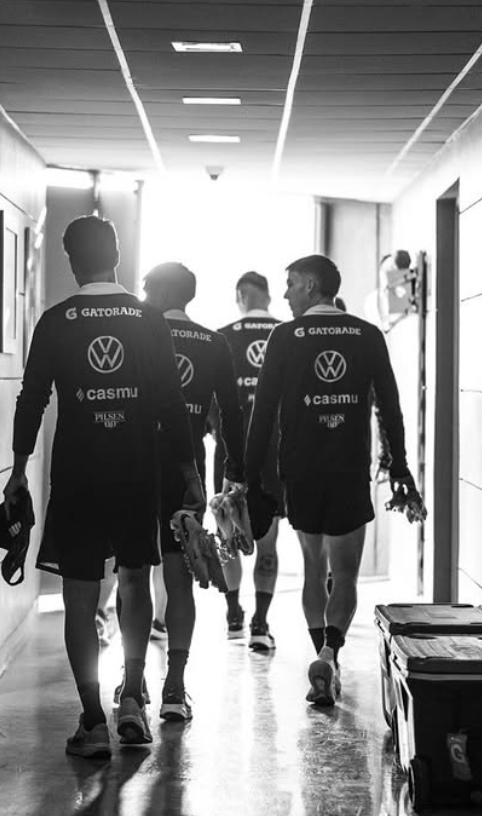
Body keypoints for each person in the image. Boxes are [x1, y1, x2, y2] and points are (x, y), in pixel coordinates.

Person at [4, 216, 202, 753]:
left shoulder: (56, 321)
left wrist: (19, 469)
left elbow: (32, 398)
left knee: (79, 593)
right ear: (116, 256)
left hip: (78, 474)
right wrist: (188, 473)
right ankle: (133, 696)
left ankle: (93, 719)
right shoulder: (148, 319)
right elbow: (171, 402)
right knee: (136, 580)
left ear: (72, 262)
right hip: (137, 470)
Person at [244, 254, 414, 707]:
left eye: (291, 284)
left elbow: (263, 412)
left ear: (312, 286)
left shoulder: (285, 337)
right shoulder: (368, 334)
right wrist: (399, 466)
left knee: (314, 568)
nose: (285, 294)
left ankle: (322, 654)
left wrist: (247, 475)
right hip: (348, 469)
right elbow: (390, 407)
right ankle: (329, 654)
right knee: (345, 573)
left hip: (300, 471)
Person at [140, 261, 246, 721]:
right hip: (187, 472)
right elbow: (232, 413)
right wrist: (235, 470)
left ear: (162, 293)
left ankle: (132, 683)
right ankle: (175, 687)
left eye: (148, 290)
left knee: (132, 574)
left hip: (136, 464)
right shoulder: (214, 343)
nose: (144, 298)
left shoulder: (136, 333)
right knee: (180, 574)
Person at [213, 271, 283, 649]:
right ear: (268, 296)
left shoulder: (223, 336)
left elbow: (212, 401)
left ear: (240, 295)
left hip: (231, 454)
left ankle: (233, 612)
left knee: (229, 533)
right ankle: (261, 621)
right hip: (275, 456)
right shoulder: (286, 335)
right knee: (268, 541)